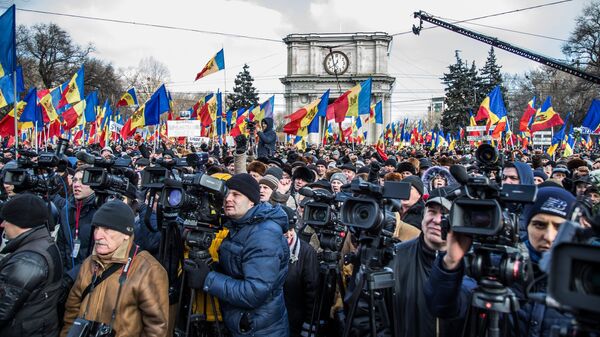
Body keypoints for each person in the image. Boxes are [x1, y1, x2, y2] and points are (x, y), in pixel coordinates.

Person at [425, 187, 576, 337]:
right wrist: (451, 262)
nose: (549, 236)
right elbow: (441, 306)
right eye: (539, 225)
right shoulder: (496, 264)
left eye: (560, 227)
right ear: (525, 225)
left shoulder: (583, 278)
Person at [195, 173, 290, 336]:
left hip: (260, 329)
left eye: (236, 194)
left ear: (252, 200)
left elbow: (254, 292)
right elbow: (238, 269)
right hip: (245, 324)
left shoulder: (264, 234)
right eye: (227, 193)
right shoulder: (240, 225)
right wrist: (211, 268)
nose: (228, 199)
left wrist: (208, 279)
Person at [62, 200, 169, 337]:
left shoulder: (149, 270)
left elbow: (157, 329)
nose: (98, 236)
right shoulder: (89, 263)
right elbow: (71, 312)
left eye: (107, 229)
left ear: (126, 234)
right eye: (96, 228)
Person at [389, 196, 459, 337]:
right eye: (432, 212)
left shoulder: (471, 264)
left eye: (445, 214)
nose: (437, 220)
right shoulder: (395, 255)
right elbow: (370, 313)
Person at [0, 194, 63, 337]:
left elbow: (3, 309)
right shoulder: (44, 243)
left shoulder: (27, 261)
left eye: (6, 219)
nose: (2, 224)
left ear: (21, 222)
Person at [282, 206, 319, 337]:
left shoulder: (306, 252)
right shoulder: (267, 248)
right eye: (283, 230)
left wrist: (309, 324)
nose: (288, 234)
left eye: (290, 229)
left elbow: (312, 291)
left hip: (295, 320)